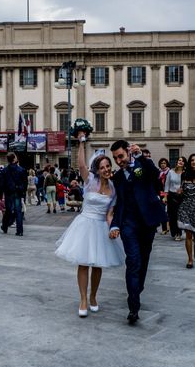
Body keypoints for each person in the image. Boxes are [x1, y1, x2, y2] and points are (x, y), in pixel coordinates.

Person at [56, 132, 124, 317]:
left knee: (98, 264)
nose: (106, 169)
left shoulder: (113, 188)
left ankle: (93, 296)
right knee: (83, 263)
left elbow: (110, 213)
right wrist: (81, 142)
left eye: (108, 166)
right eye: (102, 167)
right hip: (85, 225)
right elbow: (80, 164)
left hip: (101, 226)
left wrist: (113, 228)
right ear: (97, 169)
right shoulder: (90, 181)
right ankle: (83, 299)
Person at [109, 140, 168, 324]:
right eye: (115, 158)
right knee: (133, 261)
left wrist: (141, 156)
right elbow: (118, 204)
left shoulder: (143, 165)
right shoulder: (117, 178)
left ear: (128, 152)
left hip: (147, 222)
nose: (118, 161)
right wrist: (115, 225)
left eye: (121, 156)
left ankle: (137, 288)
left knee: (143, 261)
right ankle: (133, 306)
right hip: (129, 225)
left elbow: (156, 176)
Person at [0, 153, 27, 236]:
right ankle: (20, 231)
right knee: (18, 211)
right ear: (14, 159)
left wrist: (0, 195)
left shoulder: (5, 170)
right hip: (18, 192)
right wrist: (23, 192)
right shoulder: (21, 170)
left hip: (8, 193)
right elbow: (24, 183)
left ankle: (5, 226)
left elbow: (1, 183)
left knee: (8, 210)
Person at [164, 156, 186, 242]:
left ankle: (178, 233)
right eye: (179, 160)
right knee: (171, 215)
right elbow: (167, 184)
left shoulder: (185, 173)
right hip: (171, 196)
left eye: (182, 161)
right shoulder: (171, 171)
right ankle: (173, 230)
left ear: (184, 163)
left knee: (179, 215)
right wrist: (165, 196)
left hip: (181, 197)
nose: (180, 162)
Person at [157, 157, 170, 235]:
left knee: (170, 212)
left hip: (170, 194)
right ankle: (164, 229)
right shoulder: (159, 173)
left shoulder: (170, 172)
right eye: (161, 163)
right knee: (162, 211)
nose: (163, 165)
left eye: (164, 163)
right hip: (161, 194)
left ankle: (171, 227)